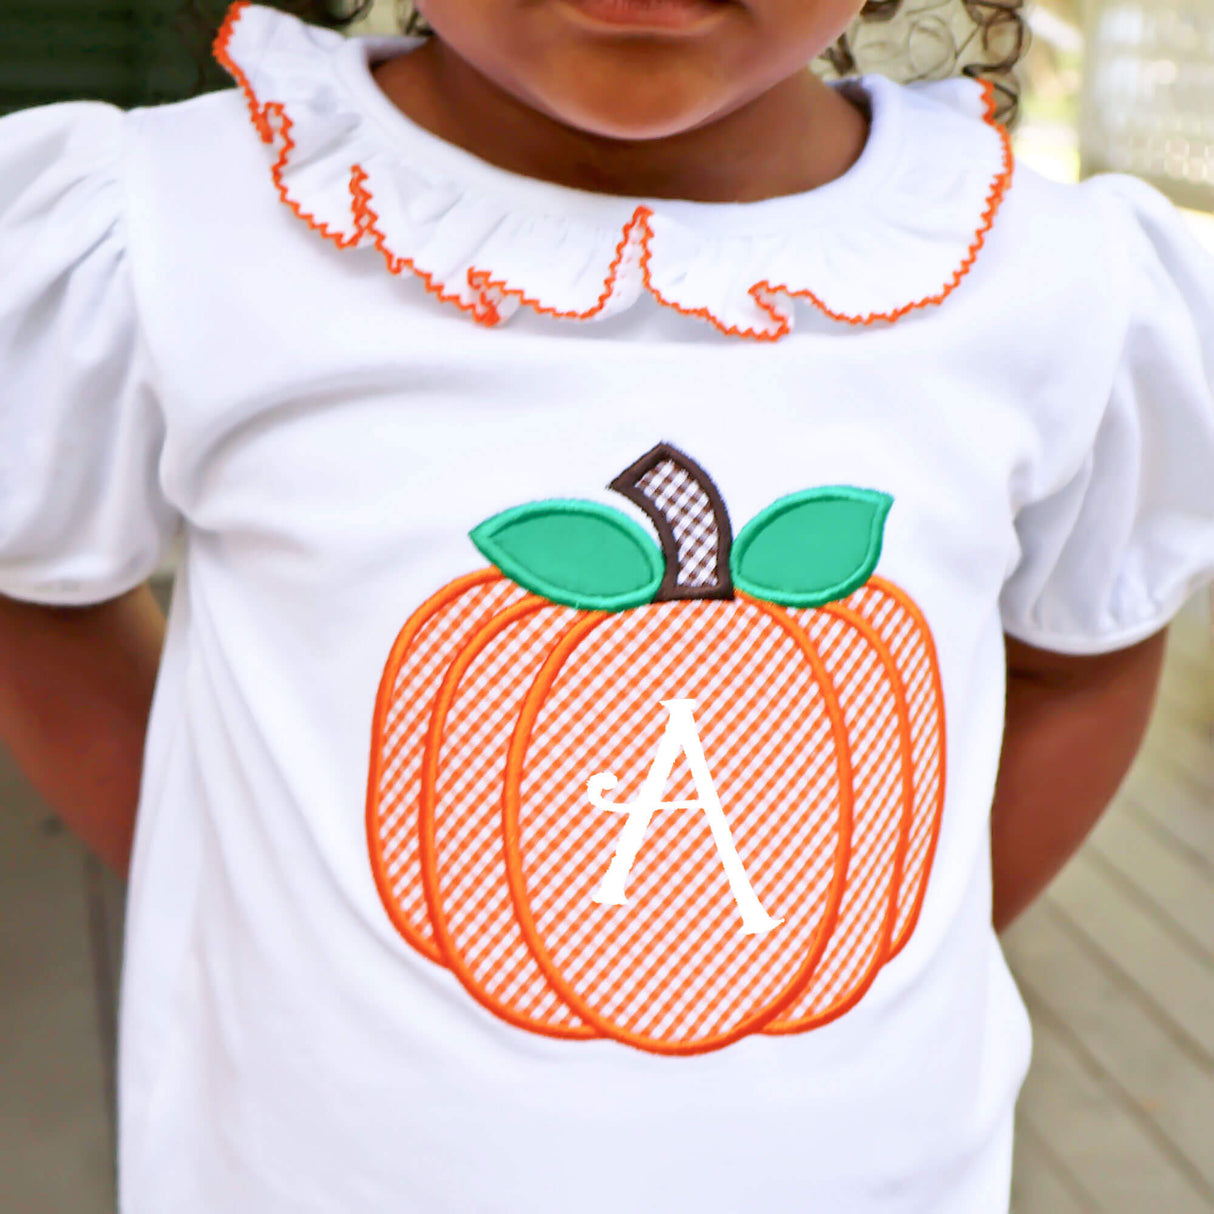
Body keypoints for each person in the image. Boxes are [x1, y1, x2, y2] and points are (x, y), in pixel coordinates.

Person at [0, 0, 1210, 1209]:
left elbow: (1083, 650)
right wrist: (229, 878)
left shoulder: (1048, 284)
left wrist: (833, 929)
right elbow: (33, 584)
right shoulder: (180, 227)